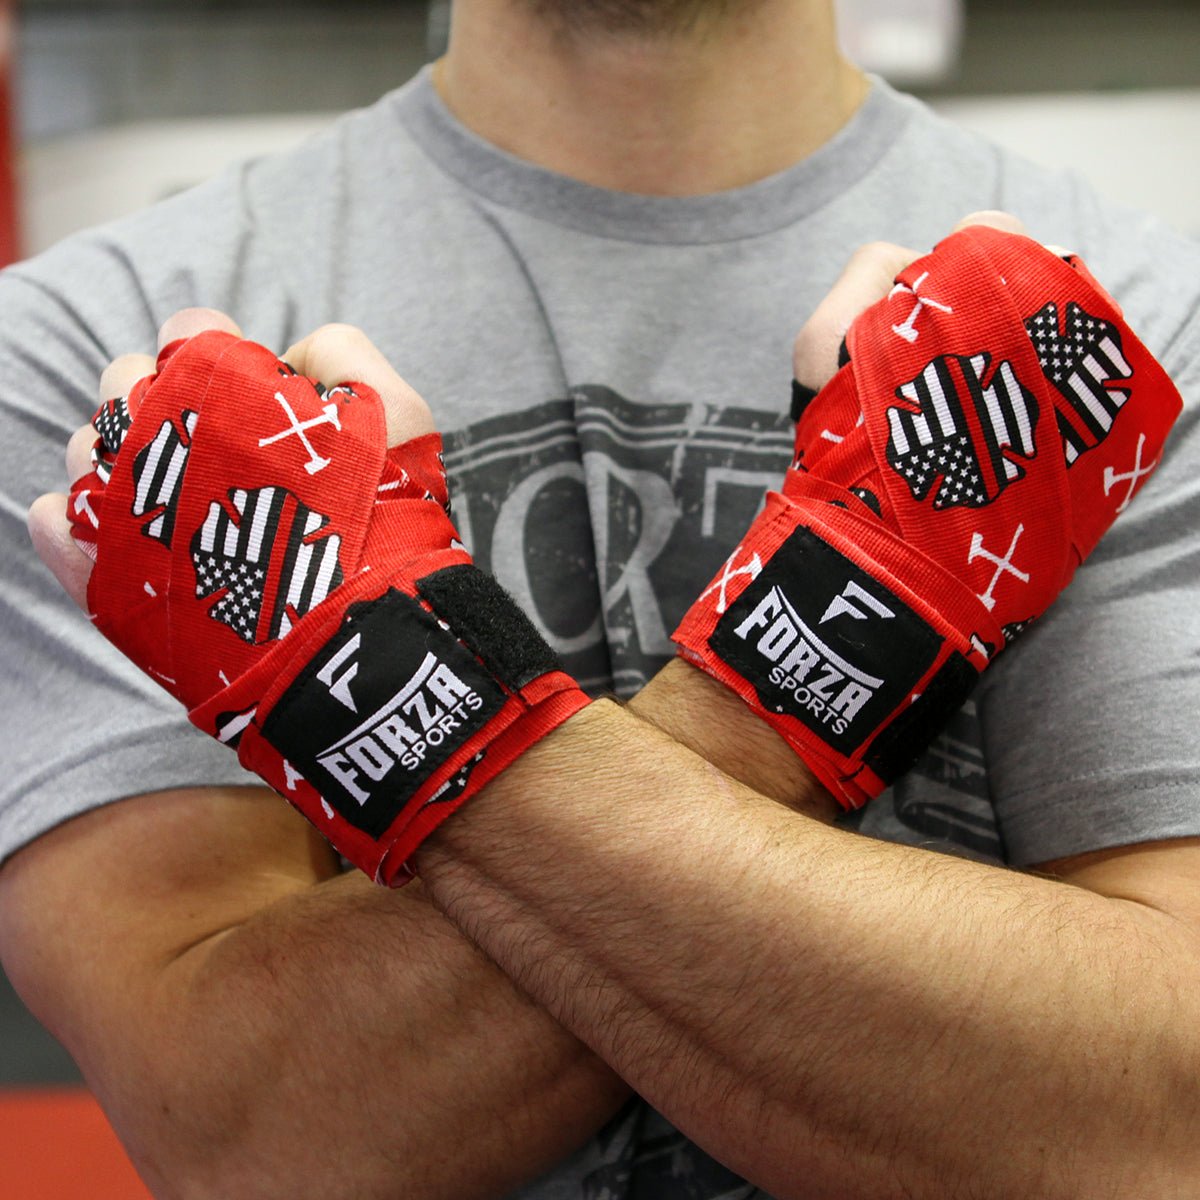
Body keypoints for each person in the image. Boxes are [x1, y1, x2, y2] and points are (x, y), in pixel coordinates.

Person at [0, 1, 1197, 1196]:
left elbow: (1160, 1122)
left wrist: (380, 684)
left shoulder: (1147, 332)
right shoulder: (89, 354)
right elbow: (249, 1145)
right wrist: (867, 606)